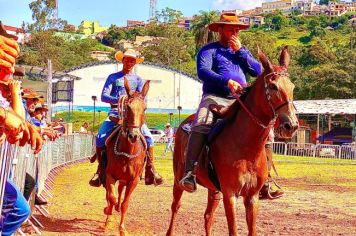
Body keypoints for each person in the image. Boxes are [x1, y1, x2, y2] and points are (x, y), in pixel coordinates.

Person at [179, 13, 262, 193]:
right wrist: (227, 81)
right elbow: (203, 72)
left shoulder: (241, 51)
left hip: (240, 99)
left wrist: (241, 51)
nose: (235, 32)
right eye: (231, 28)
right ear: (220, 30)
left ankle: (266, 179)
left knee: (264, 128)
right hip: (214, 97)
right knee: (201, 123)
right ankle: (190, 172)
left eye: (237, 29)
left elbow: (258, 71)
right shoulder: (209, 50)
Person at [89, 49, 163, 187]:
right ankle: (100, 170)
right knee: (100, 137)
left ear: (135, 63)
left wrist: (133, 103)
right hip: (115, 113)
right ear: (122, 60)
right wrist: (120, 99)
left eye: (132, 60)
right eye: (127, 59)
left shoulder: (139, 80)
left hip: (133, 115)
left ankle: (150, 169)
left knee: (149, 138)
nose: (129, 62)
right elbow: (104, 96)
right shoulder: (113, 77)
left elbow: (142, 98)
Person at [259, 128, 284, 199]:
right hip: (262, 142)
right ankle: (265, 190)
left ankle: (265, 189)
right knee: (263, 167)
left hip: (268, 142)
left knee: (267, 167)